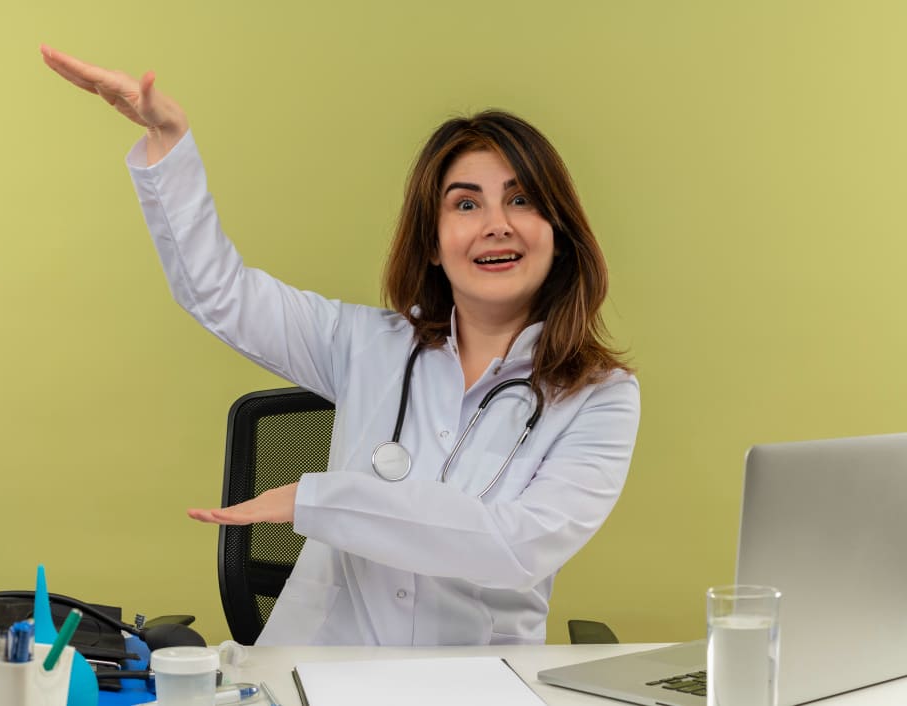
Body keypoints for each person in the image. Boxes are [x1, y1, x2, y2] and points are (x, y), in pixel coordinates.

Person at [41, 45, 641, 647]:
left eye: (521, 199)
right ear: (433, 243)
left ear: (558, 233)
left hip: (476, 682)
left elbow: (516, 544)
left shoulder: (601, 398)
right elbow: (218, 292)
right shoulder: (364, 344)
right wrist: (167, 140)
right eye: (465, 203)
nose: (496, 224)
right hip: (321, 675)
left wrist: (319, 500)